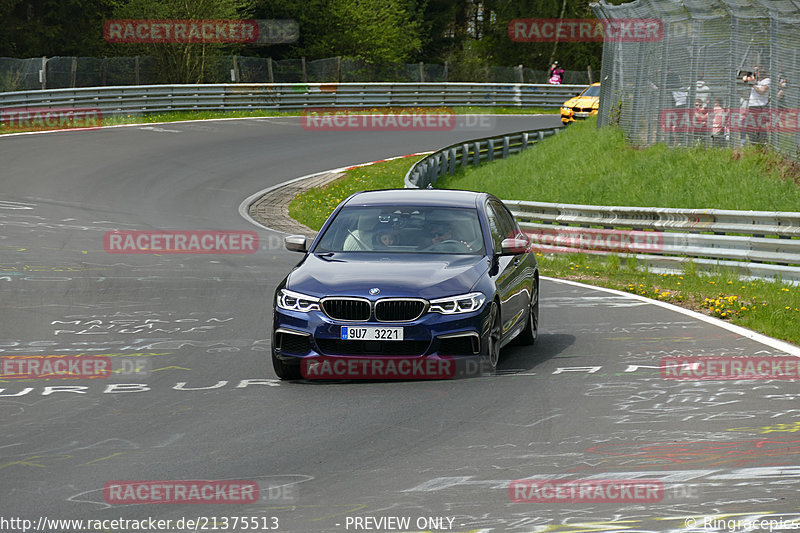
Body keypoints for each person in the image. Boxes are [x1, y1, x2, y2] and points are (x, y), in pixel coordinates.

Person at [743, 65, 770, 145]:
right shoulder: (756, 80)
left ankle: (762, 144)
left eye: (758, 71)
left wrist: (752, 84)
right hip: (752, 106)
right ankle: (756, 144)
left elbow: (762, 91)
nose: (757, 73)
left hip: (760, 106)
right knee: (749, 127)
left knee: (760, 127)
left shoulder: (767, 80)